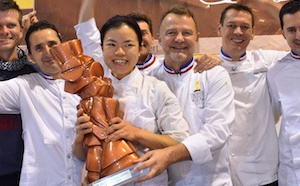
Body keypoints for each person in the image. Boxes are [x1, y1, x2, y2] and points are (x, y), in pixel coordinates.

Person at [72, 15, 189, 185]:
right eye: (112, 44)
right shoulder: (90, 91)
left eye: (128, 45)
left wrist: (136, 133)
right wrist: (79, 137)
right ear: (102, 47)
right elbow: (81, 154)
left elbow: (180, 143)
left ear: (140, 47)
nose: (120, 52)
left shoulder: (156, 89)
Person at [133, 6, 235, 185]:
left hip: (212, 180)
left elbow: (217, 132)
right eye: (171, 32)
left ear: (197, 37)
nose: (179, 39)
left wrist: (169, 155)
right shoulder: (149, 82)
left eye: (186, 33)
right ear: (159, 38)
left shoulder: (213, 74)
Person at [0, 20, 84, 186]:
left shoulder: (87, 83)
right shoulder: (24, 86)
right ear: (30, 56)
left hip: (83, 180)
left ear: (63, 45)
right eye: (39, 48)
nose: (48, 52)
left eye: (52, 44)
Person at [0, 1, 37, 185]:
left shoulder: (36, 74)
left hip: (25, 174)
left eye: (11, 25)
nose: (4, 31)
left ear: (21, 30)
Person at [267, 1, 300, 185]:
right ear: (283, 33)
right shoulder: (275, 72)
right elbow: (271, 115)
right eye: (291, 30)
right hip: (292, 170)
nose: (298, 35)